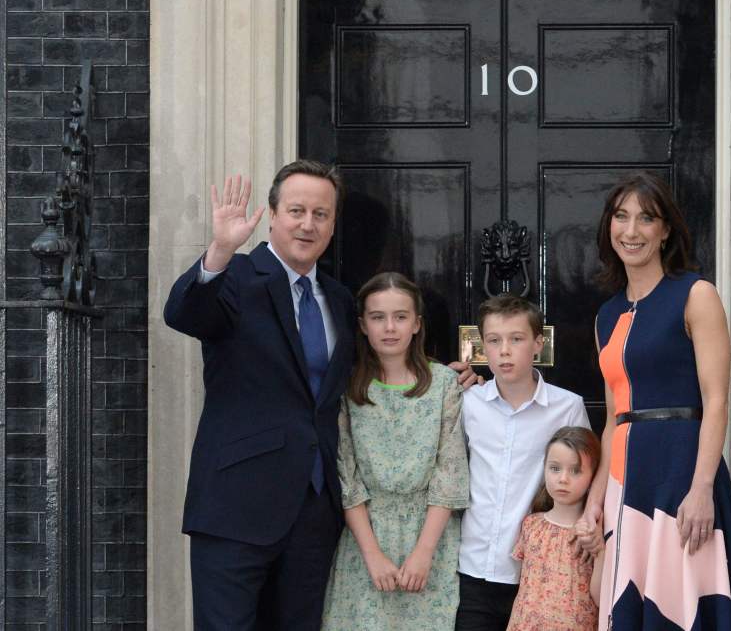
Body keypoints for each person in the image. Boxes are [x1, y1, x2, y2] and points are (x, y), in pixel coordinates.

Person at [163, 161, 476, 629]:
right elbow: (185, 313)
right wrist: (220, 250)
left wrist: (439, 378)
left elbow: (368, 372)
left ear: (332, 225)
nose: (308, 223)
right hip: (237, 507)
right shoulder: (237, 276)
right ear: (272, 215)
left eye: (321, 213)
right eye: (296, 210)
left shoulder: (338, 298)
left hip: (315, 512)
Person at [577, 171, 731, 630]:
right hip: (626, 484)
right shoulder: (607, 314)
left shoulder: (696, 295)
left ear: (665, 231)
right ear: (609, 227)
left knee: (681, 606)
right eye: (621, 217)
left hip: (682, 475)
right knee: (625, 604)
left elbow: (716, 402)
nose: (631, 230)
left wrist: (701, 489)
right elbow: (613, 420)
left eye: (645, 219)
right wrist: (595, 502)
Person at [323, 272, 470, 630]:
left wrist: (423, 554)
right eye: (378, 317)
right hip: (366, 541)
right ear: (362, 325)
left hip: (429, 541)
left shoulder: (444, 386)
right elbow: (347, 477)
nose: (390, 327)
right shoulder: (347, 388)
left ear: (417, 324)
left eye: (400, 317)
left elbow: (449, 475)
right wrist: (372, 555)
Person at [456, 294, 591, 631]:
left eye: (516, 339)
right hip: (475, 570)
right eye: (494, 340)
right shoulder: (467, 402)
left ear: (537, 344)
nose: (504, 350)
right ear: (482, 345)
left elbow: (587, 477)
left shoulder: (567, 407)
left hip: (543, 574)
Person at [506, 427, 602, 631]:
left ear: (593, 477)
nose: (563, 479)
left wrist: (601, 552)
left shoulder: (593, 535)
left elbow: (600, 597)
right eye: (555, 468)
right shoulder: (532, 525)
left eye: (575, 470)